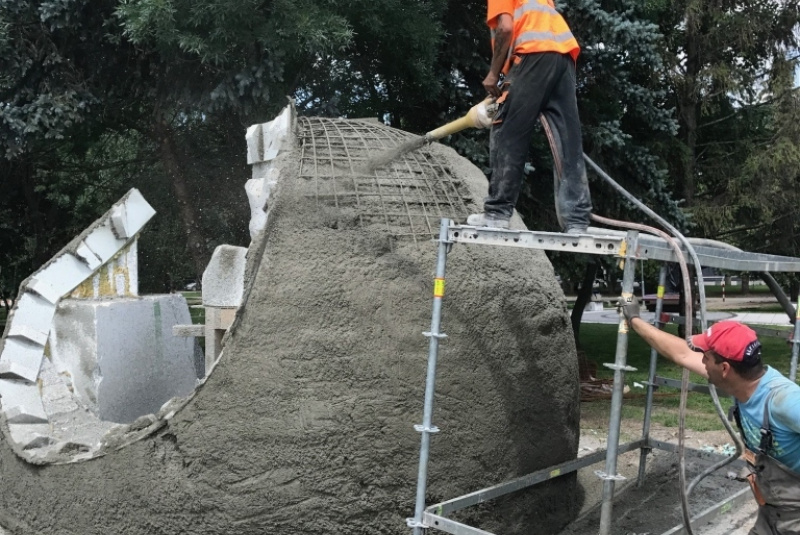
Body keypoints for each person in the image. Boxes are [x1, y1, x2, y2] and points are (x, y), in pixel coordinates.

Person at [620, 295, 800, 534]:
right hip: (772, 512)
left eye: (706, 356)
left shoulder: (784, 401)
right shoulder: (743, 382)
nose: (701, 360)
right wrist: (634, 319)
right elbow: (682, 354)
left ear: (724, 368)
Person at [467, 0, 593, 233]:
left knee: (508, 131)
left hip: (534, 53)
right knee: (567, 140)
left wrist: (494, 75)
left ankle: (496, 213)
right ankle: (576, 220)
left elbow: (505, 28)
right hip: (563, 57)